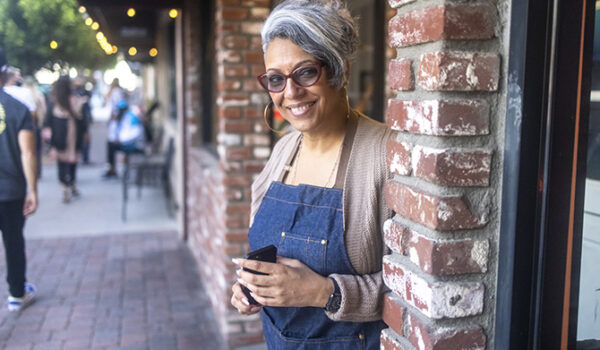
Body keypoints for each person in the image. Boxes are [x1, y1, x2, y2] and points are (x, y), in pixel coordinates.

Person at [230, 1, 394, 348]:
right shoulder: (282, 153)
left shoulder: (384, 154)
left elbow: (415, 289)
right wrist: (253, 287)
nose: (290, 93)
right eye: (276, 79)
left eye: (306, 73)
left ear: (341, 71)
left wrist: (323, 292)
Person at [0, 46, 38, 312]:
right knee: (13, 240)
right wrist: (33, 189)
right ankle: (17, 293)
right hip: (11, 191)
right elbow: (28, 152)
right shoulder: (17, 109)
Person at [44, 76, 87, 203]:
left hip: (59, 135)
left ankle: (64, 187)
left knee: (61, 162)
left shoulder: (54, 101)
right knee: (72, 161)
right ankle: (71, 183)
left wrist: (49, 139)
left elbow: (47, 121)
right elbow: (82, 120)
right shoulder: (76, 100)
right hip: (74, 134)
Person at [102, 99, 145, 178]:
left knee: (111, 146)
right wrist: (113, 121)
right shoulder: (122, 118)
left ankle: (112, 169)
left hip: (134, 145)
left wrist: (120, 141)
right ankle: (111, 168)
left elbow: (134, 133)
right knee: (110, 144)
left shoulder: (131, 117)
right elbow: (114, 133)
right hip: (126, 143)